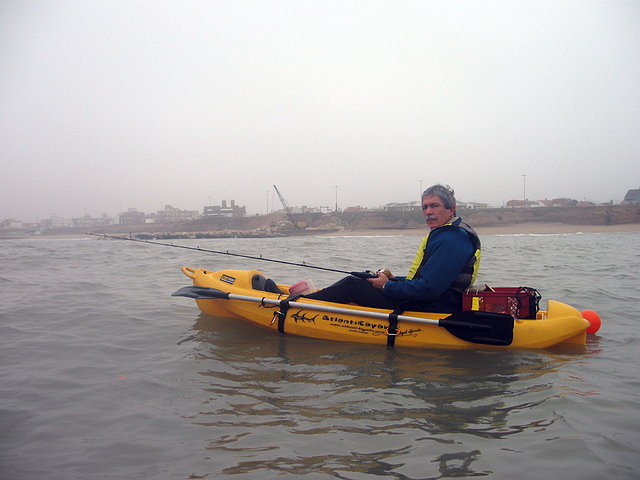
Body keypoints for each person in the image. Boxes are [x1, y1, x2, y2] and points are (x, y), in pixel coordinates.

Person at [304, 184, 481, 313]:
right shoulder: (448, 234)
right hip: (429, 302)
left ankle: (298, 306)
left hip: (429, 308)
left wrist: (388, 287)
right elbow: (425, 279)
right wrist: (395, 280)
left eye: (434, 205)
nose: (428, 211)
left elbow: (429, 289)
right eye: (424, 207)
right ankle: (308, 302)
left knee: (352, 285)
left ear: (451, 209)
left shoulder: (452, 239)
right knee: (364, 280)